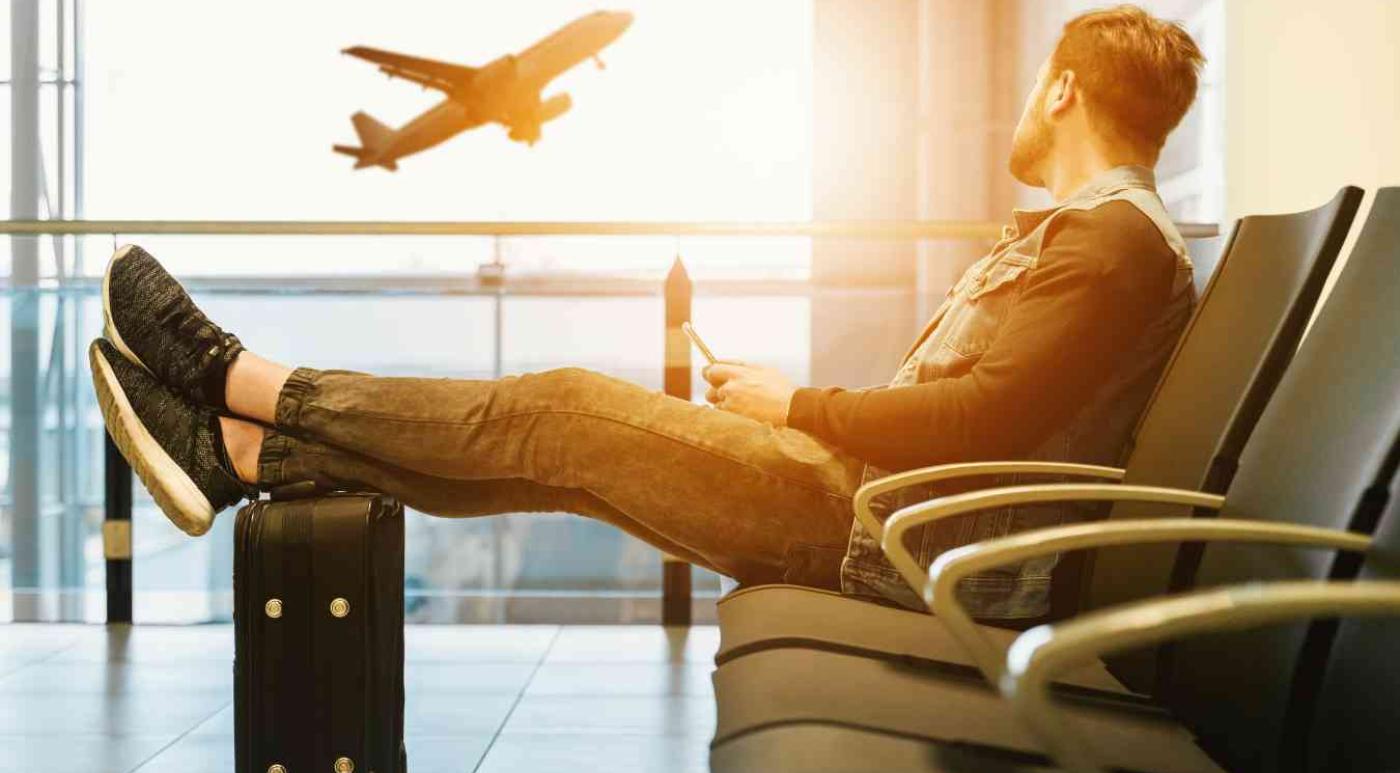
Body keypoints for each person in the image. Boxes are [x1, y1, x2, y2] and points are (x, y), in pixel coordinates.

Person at [90, 4, 1203, 621]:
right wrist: (798, 410)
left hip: (886, 538)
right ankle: (242, 453)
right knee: (564, 461)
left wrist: (798, 403)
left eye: (1031, 87)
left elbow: (981, 422)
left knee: (562, 411)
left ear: (1059, 88)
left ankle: (236, 380)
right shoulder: (1098, 239)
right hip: (880, 515)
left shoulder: (1108, 242)